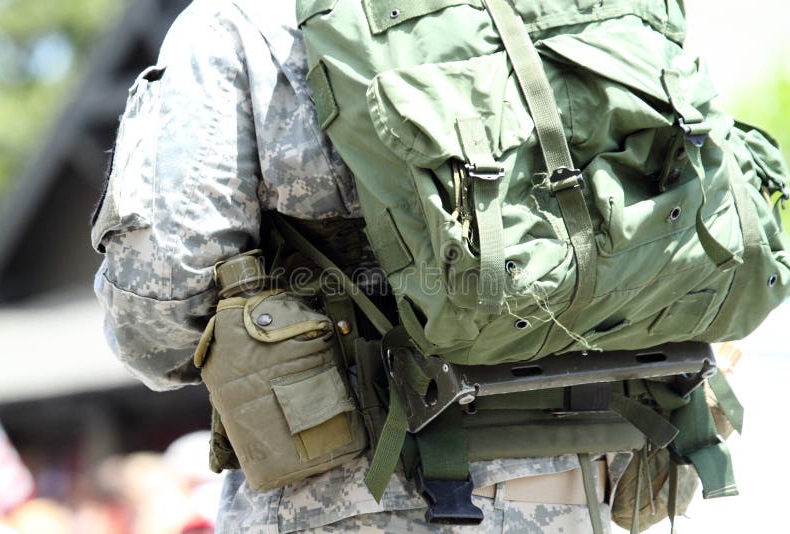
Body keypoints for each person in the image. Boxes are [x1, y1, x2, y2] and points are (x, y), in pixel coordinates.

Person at [91, 0, 708, 531]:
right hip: (589, 484)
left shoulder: (248, 21)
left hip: (354, 498)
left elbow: (157, 316)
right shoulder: (587, 7)